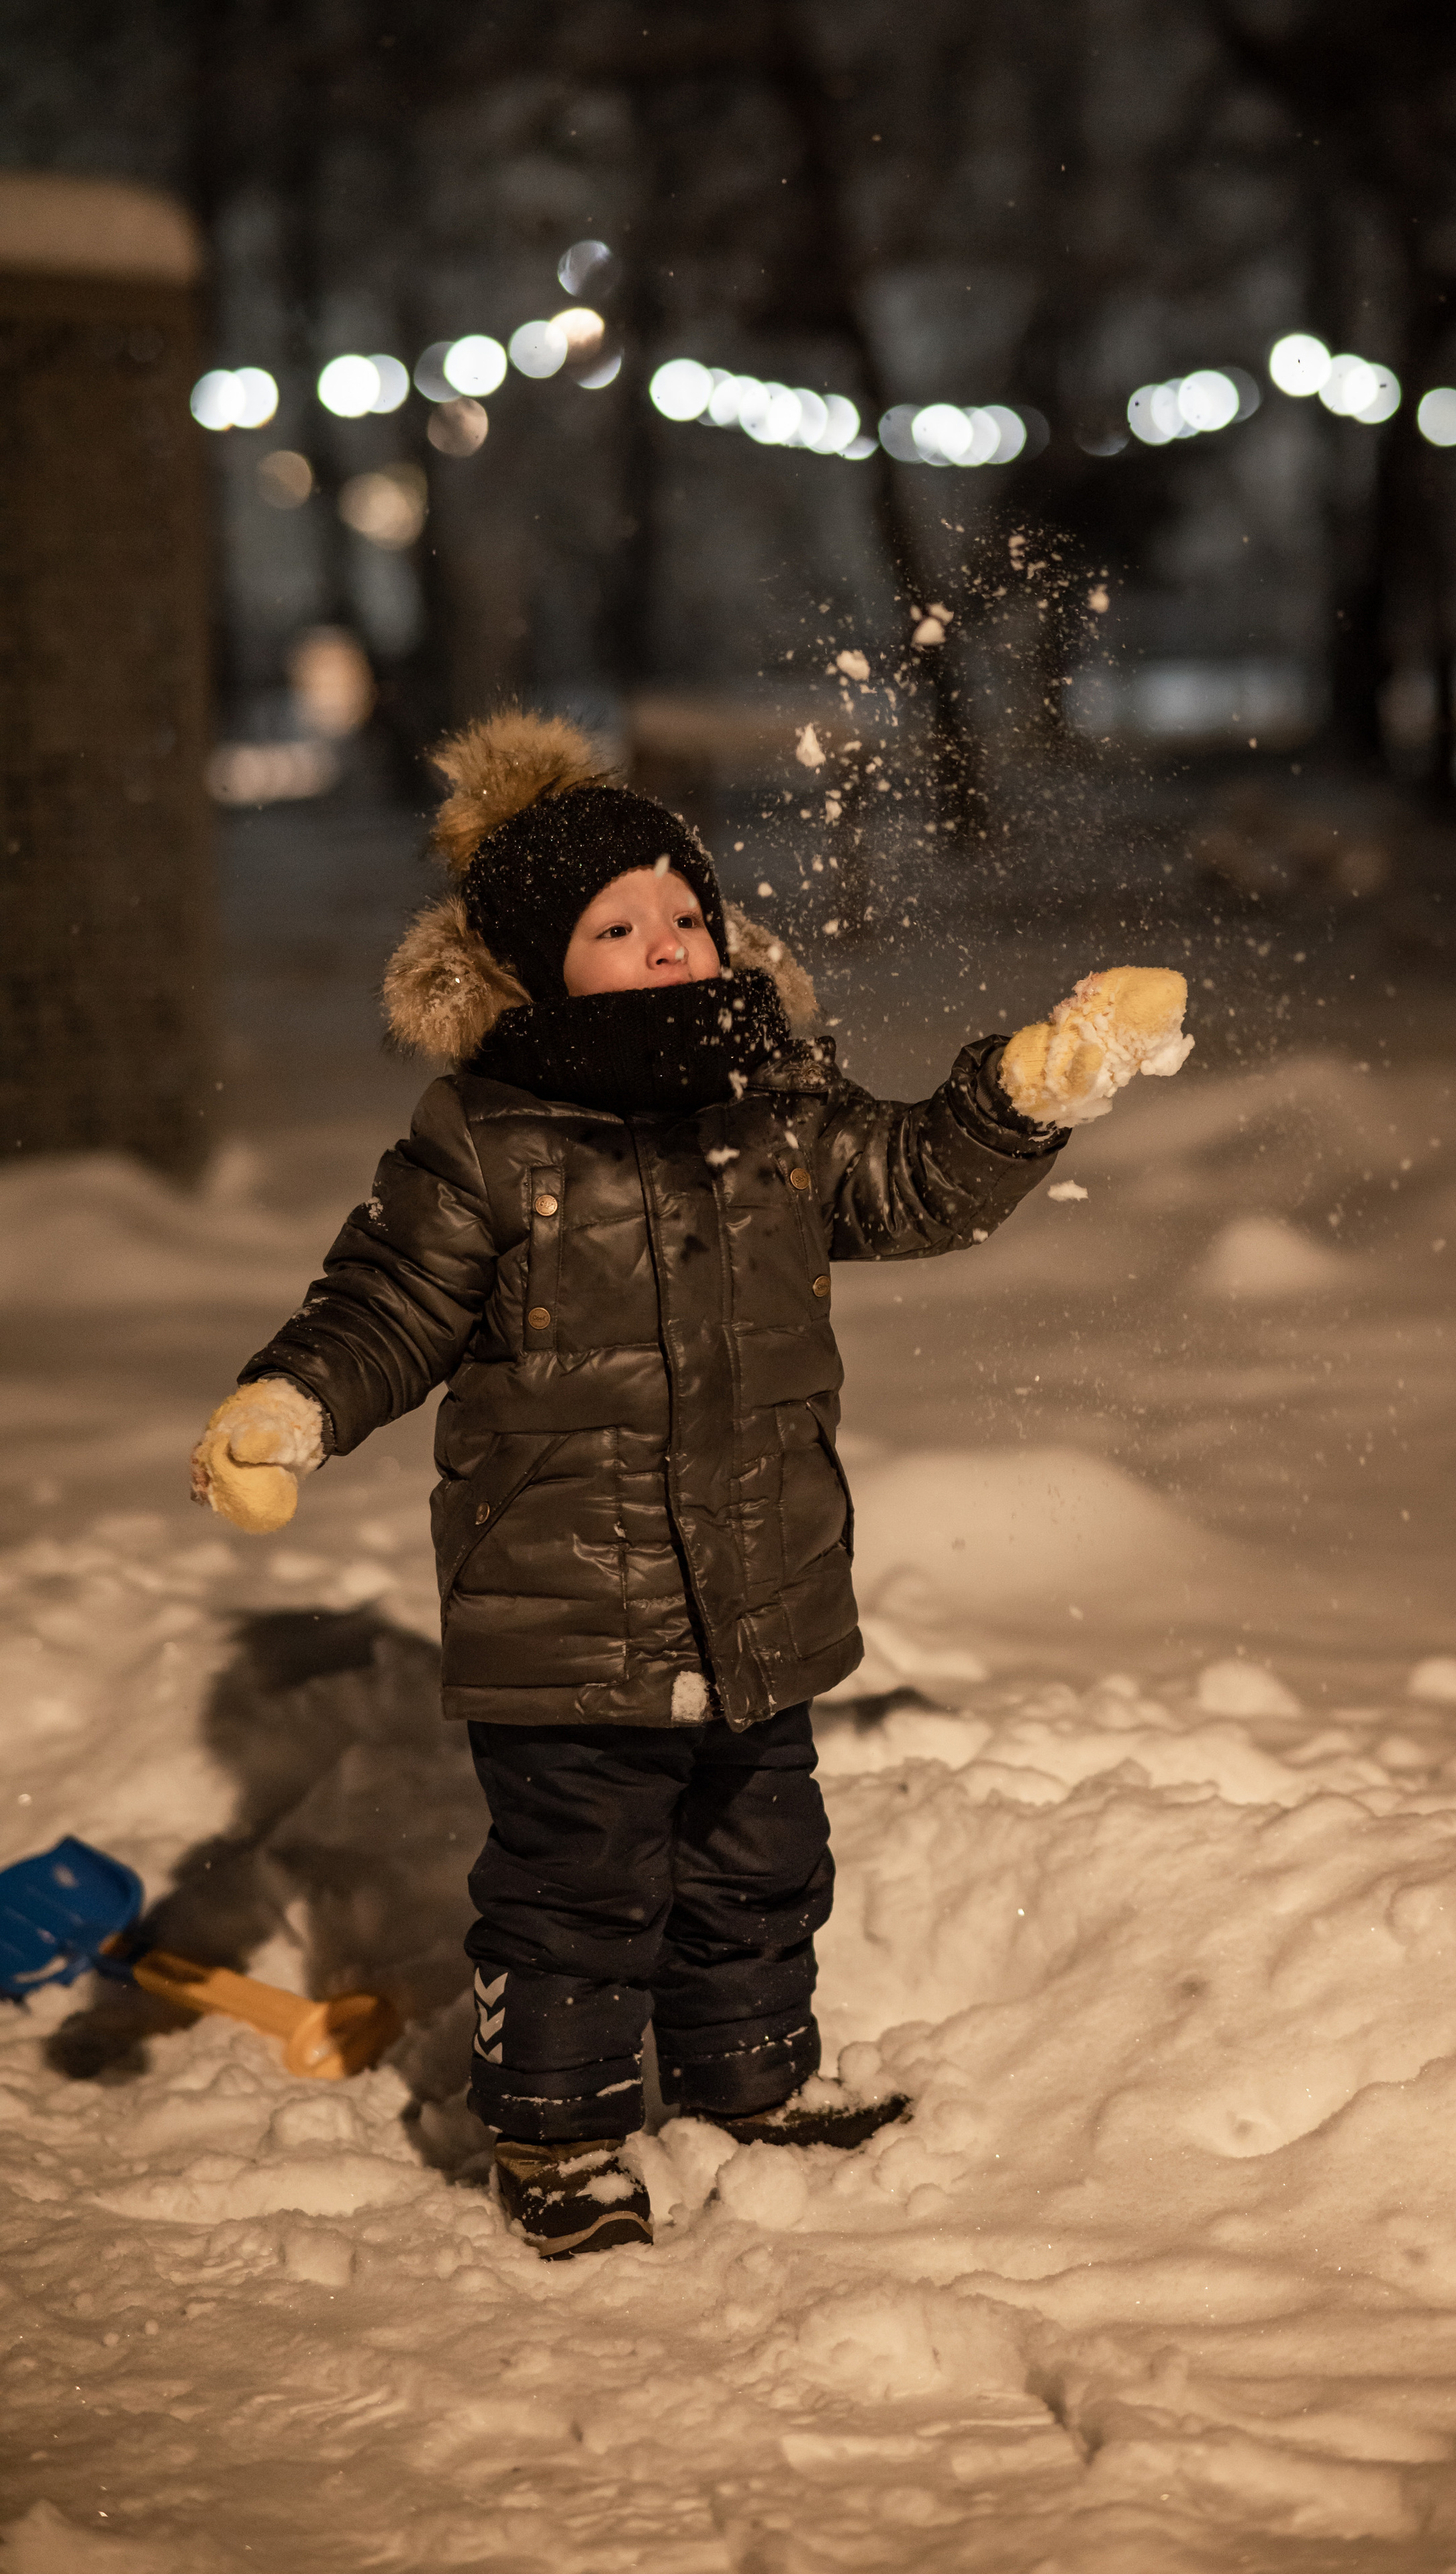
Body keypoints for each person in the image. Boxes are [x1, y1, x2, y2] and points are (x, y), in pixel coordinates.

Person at [190, 710, 1190, 2257]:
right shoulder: (491, 1143)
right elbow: (386, 1304)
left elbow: (914, 1179)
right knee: (576, 1891)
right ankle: (557, 2139)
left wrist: (1025, 1089)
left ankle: (750, 2091)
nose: (667, 941)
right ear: (535, 967)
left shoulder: (774, 1110)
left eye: (683, 911)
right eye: (618, 925)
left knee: (755, 1868)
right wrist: (290, 1407)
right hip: (565, 1618)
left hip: (756, 1593)